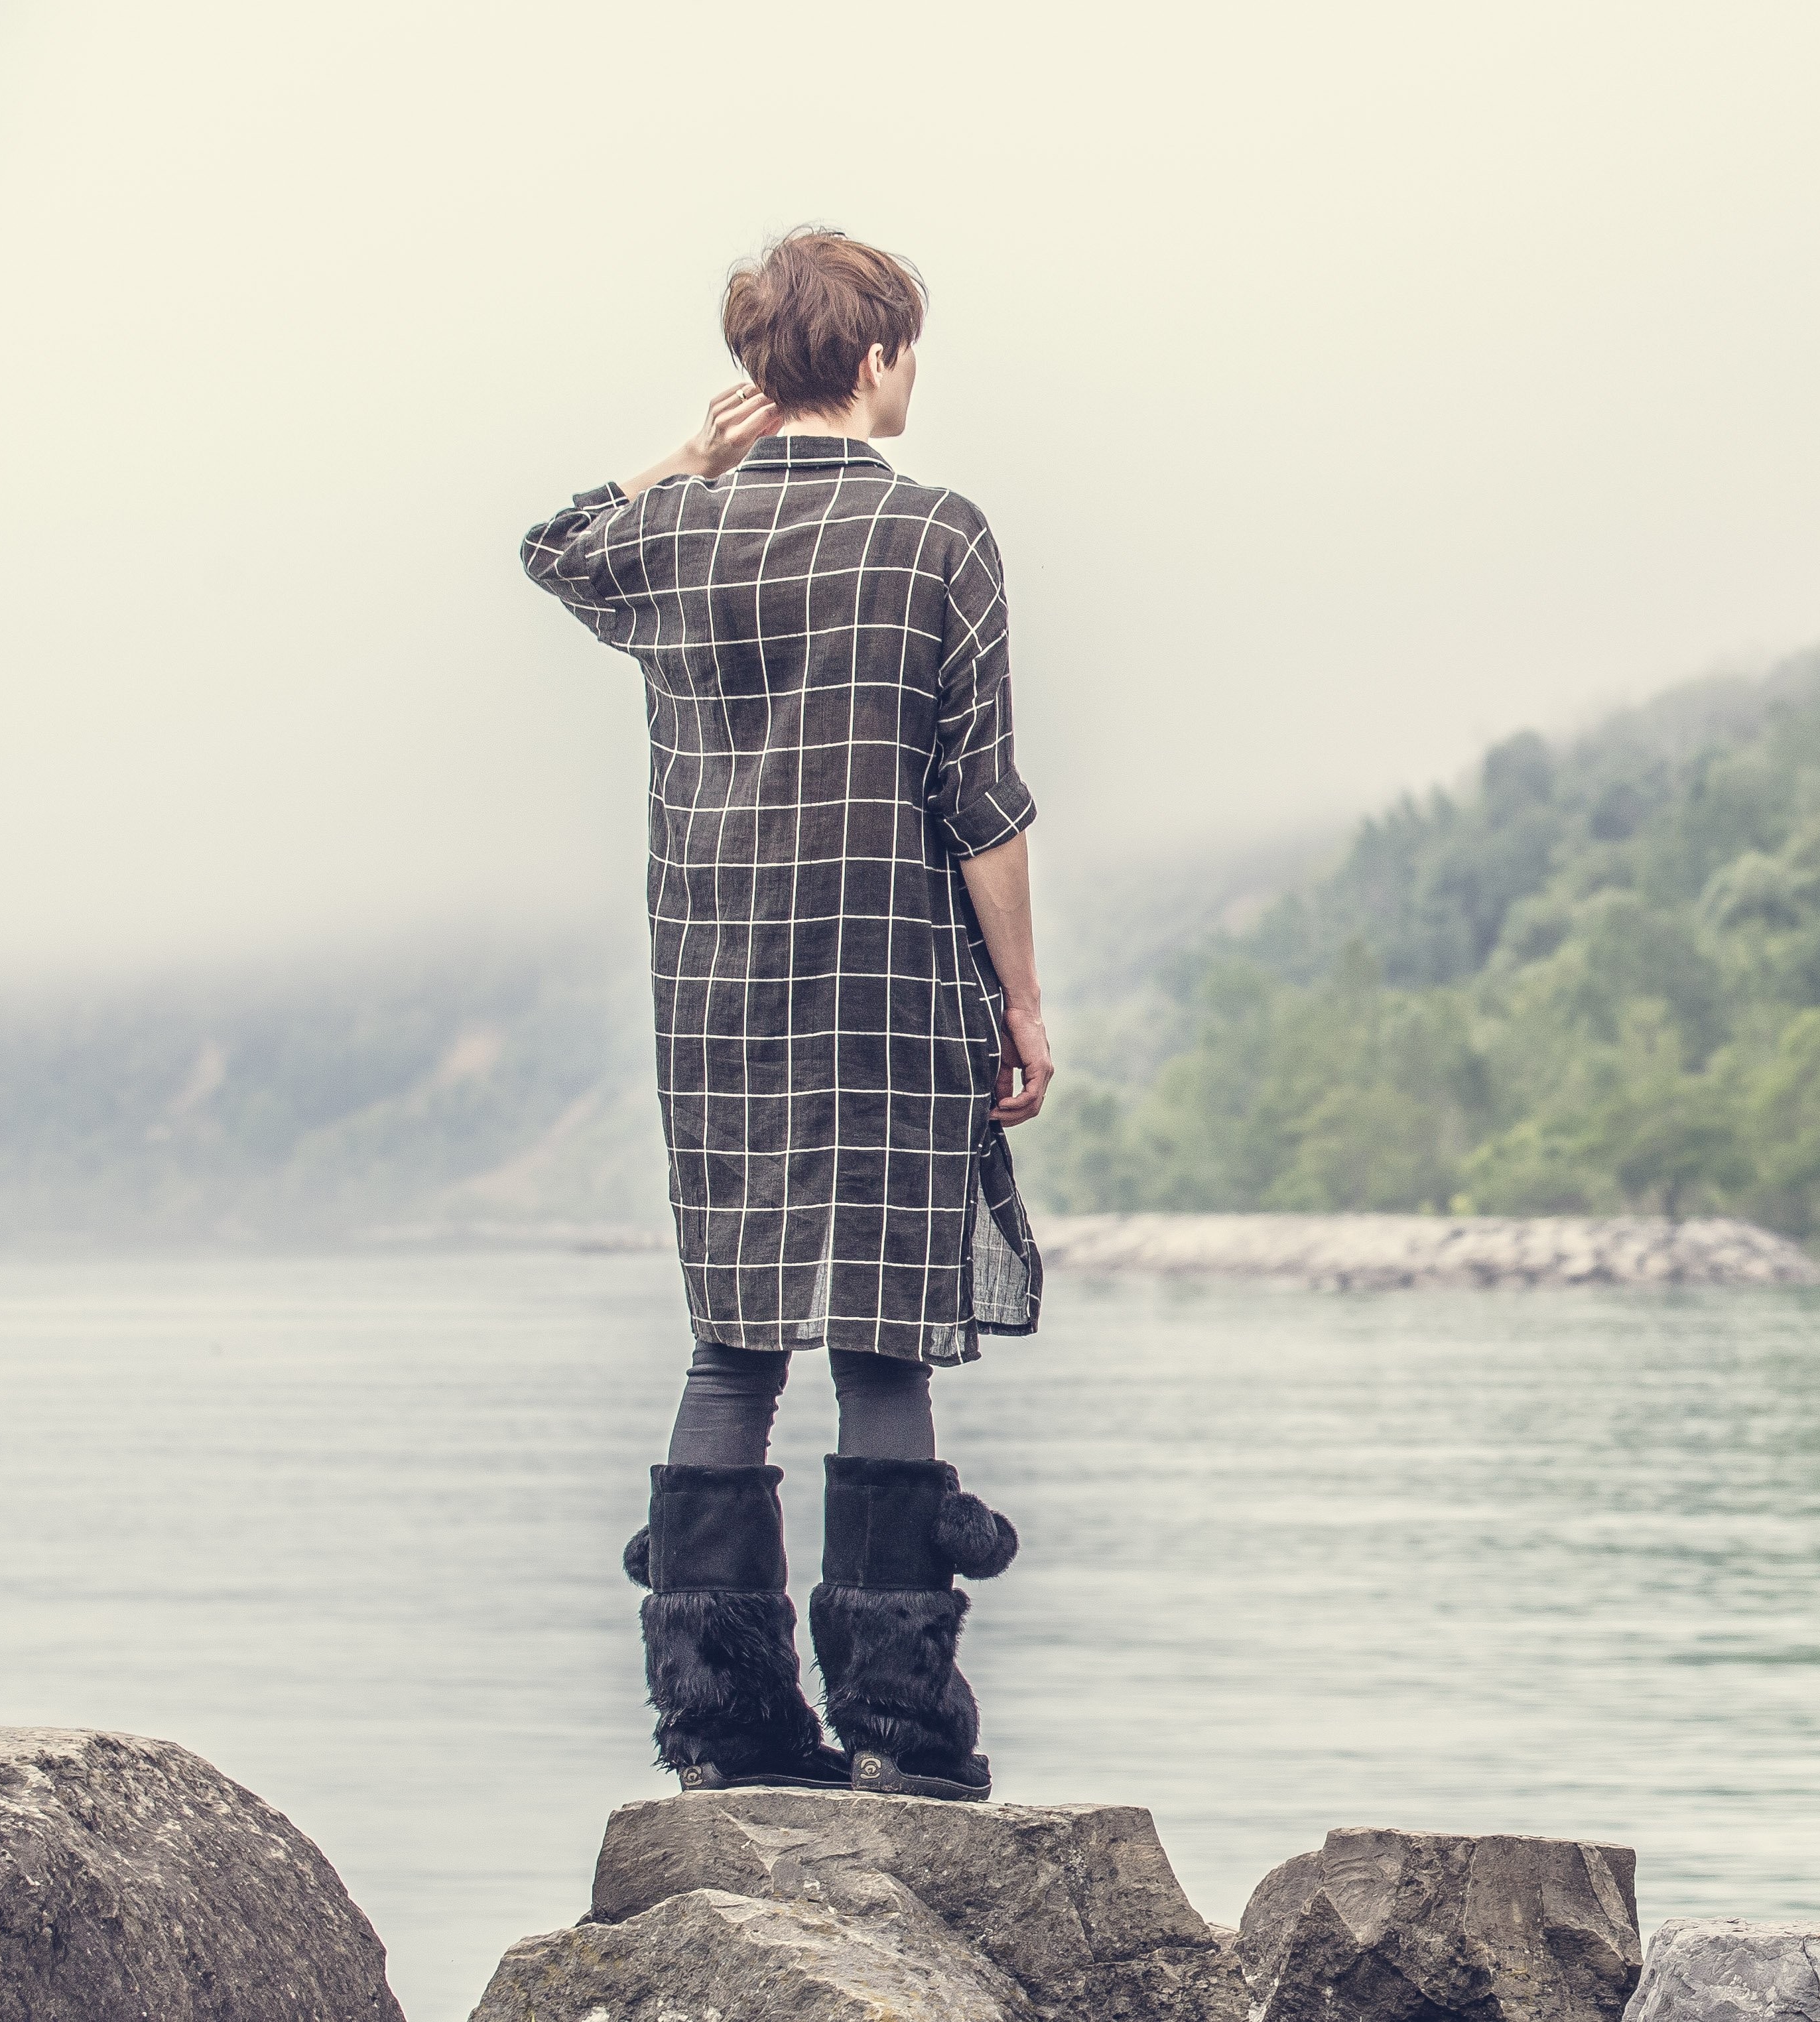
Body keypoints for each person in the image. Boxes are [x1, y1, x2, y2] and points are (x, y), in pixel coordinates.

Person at [519, 226, 1051, 1802]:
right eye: (909, 349)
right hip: (888, 987)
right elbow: (985, 802)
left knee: (735, 1338)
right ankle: (899, 1733)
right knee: (884, 1340)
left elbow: (553, 545)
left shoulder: (673, 537)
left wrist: (683, 454)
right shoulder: (940, 537)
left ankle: (727, 1732)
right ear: (878, 357)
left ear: (761, 366)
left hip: (720, 996)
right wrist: (1020, 999)